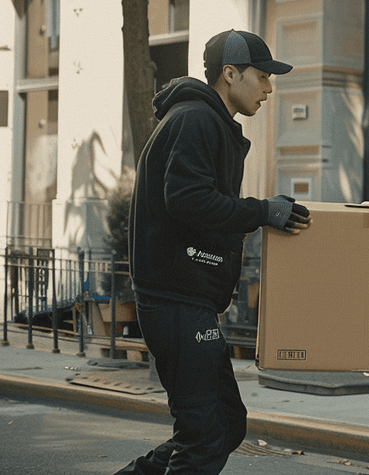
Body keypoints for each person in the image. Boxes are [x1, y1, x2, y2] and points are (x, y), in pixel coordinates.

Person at [115, 30, 312, 475]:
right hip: (176, 302)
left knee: (225, 423)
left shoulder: (206, 122)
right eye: (261, 76)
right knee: (203, 440)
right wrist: (261, 211)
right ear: (230, 73)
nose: (269, 88)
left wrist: (262, 211)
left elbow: (195, 201)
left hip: (188, 302)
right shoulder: (195, 120)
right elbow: (187, 201)